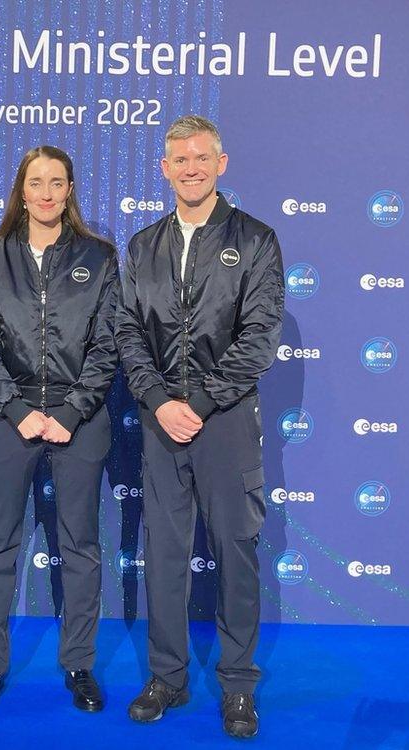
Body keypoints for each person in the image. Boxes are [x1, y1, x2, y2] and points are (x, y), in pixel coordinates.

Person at [116, 115, 284, 738]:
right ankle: (168, 676)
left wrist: (205, 401)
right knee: (164, 553)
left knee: (236, 553)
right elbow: (128, 333)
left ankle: (238, 684)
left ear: (221, 163)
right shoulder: (142, 245)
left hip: (227, 421)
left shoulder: (257, 240)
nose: (191, 168)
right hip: (161, 422)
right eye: (179, 159)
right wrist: (160, 400)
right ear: (165, 169)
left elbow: (259, 338)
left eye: (201, 157)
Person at [0, 146, 121, 712]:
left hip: (81, 420)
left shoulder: (100, 257)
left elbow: (109, 343)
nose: (47, 192)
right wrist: (15, 408)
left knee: (80, 545)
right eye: (37, 182)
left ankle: (79, 664)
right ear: (21, 191)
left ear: (70, 189)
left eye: (57, 181)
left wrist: (72, 411)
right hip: (10, 419)